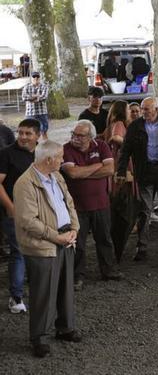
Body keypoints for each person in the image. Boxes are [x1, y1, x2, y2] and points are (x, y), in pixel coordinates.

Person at [13, 140, 81, 358]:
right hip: (44, 245)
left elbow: (69, 204)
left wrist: (74, 230)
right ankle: (39, 337)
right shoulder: (25, 184)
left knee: (65, 288)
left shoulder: (57, 177)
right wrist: (57, 237)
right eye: (60, 157)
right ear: (48, 159)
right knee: (43, 294)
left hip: (64, 239)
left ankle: (65, 328)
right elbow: (28, 221)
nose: (63, 160)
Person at [116, 97, 158, 261]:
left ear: (157, 109)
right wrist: (121, 170)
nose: (144, 112)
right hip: (145, 172)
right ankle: (142, 246)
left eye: (147, 109)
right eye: (143, 109)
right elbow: (125, 150)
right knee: (145, 210)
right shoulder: (135, 126)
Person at [60, 120, 121, 287]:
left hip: (101, 203)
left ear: (90, 136)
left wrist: (83, 171)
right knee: (77, 242)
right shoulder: (66, 149)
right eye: (73, 134)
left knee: (105, 238)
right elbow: (72, 173)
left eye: (80, 135)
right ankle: (77, 276)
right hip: (76, 206)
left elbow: (110, 170)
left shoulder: (101, 145)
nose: (75, 138)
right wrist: (98, 164)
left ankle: (108, 270)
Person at [0, 118, 40, 315]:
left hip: (39, 212)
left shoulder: (43, 154)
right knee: (19, 251)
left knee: (37, 250)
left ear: (37, 136)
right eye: (20, 133)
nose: (22, 137)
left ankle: (40, 291)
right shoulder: (6, 154)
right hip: (13, 213)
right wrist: (10, 207)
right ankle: (16, 297)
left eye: (28, 133)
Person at [22, 71, 49, 141]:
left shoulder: (44, 86)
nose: (36, 78)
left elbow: (44, 97)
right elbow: (24, 97)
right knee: (29, 130)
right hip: (30, 112)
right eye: (34, 76)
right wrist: (37, 97)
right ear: (31, 78)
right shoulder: (26, 87)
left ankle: (45, 146)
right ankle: (31, 146)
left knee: (44, 130)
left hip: (42, 112)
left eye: (37, 77)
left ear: (40, 78)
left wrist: (32, 97)